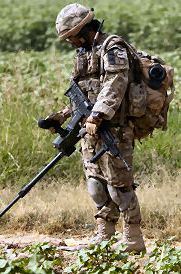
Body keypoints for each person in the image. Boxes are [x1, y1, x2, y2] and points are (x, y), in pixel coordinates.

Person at [46, 3, 146, 253]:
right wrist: (64, 114)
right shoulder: (83, 53)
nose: (71, 42)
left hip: (114, 128)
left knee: (119, 185)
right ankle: (104, 237)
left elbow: (115, 83)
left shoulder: (113, 47)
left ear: (83, 29)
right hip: (90, 130)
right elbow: (84, 92)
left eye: (72, 37)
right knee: (96, 185)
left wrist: (98, 115)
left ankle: (133, 240)